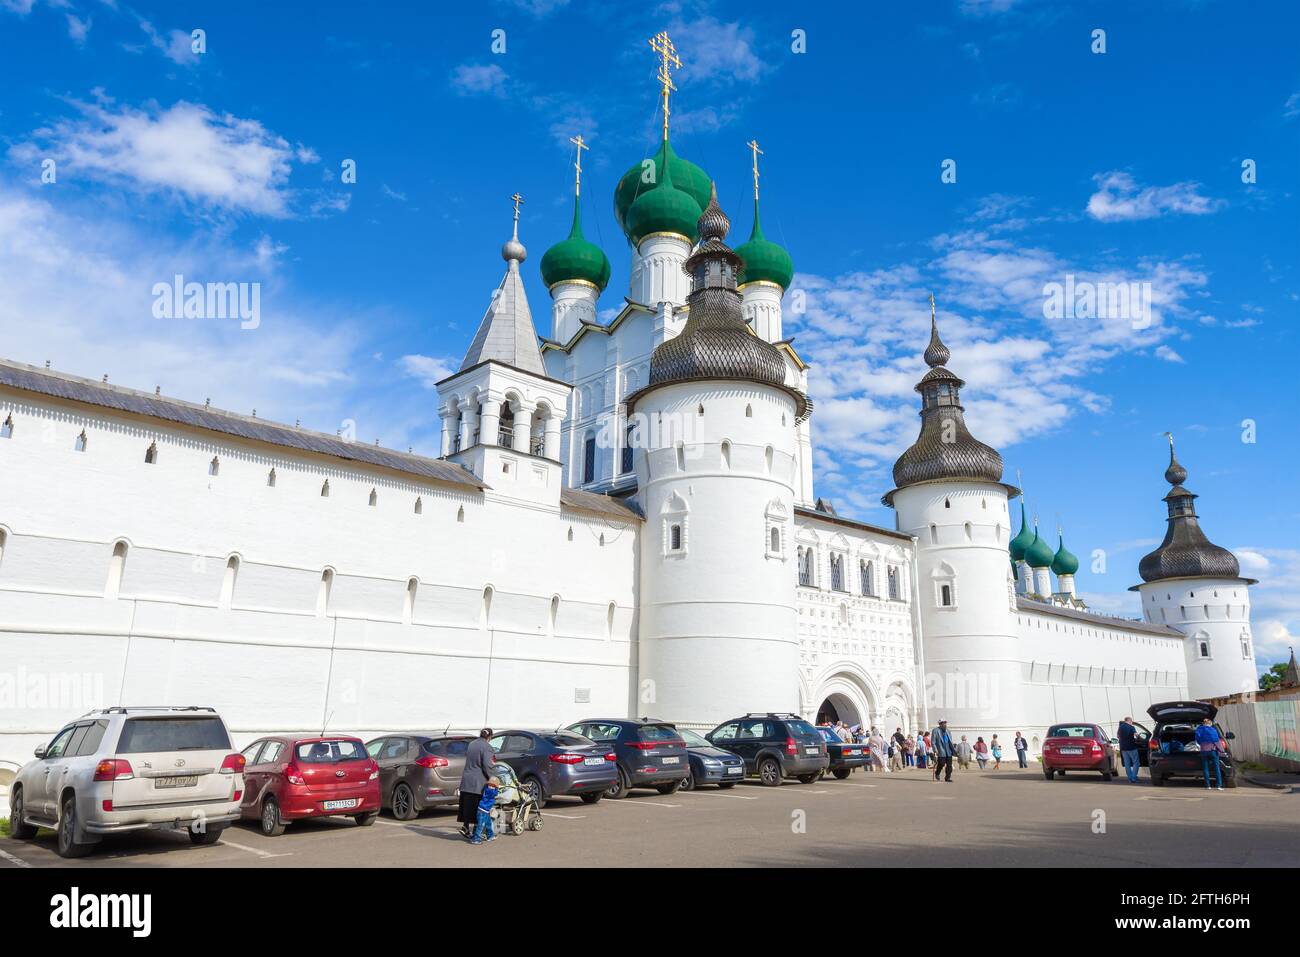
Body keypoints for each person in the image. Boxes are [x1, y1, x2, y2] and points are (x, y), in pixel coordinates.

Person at [458, 727, 496, 839]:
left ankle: (465, 826)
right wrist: (492, 778)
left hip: (466, 780)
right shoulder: (487, 747)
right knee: (478, 807)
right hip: (478, 782)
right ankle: (476, 831)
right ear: (490, 737)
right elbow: (487, 765)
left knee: (466, 805)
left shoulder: (472, 744)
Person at [1194, 717, 1225, 790]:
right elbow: (1216, 741)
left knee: (1205, 768)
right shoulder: (1213, 730)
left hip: (1204, 751)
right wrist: (1222, 751)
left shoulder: (1199, 730)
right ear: (1210, 724)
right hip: (1212, 751)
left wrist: (1203, 745)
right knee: (1216, 768)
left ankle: (1208, 786)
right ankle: (1218, 786)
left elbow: (1198, 740)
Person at [471, 776, 500, 845]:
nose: (491, 786)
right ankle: (476, 839)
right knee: (480, 825)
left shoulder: (486, 788)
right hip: (482, 810)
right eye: (491, 785)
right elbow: (495, 793)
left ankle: (490, 836)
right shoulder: (490, 791)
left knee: (488, 823)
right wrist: (497, 788)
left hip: (486, 810)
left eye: (493, 785)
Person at [1117, 716, 1142, 784]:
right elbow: (1136, 735)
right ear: (1129, 721)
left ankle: (1130, 778)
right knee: (1136, 762)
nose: (1132, 723)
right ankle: (1134, 777)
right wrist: (1139, 737)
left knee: (1127, 764)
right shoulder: (1131, 727)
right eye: (1131, 721)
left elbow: (1118, 736)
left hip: (1123, 748)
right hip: (1131, 747)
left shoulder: (1120, 727)